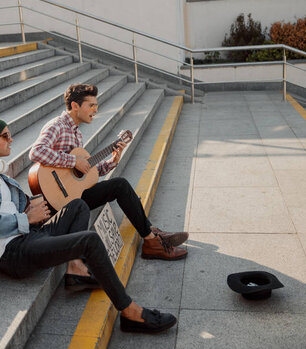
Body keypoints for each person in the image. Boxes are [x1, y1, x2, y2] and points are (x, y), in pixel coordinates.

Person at [0, 117, 177, 334]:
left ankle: (76, 269)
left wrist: (30, 208)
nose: (11, 140)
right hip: (12, 253)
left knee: (78, 205)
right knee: (88, 240)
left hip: (29, 235)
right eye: (5, 136)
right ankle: (130, 312)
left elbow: (8, 209)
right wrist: (26, 218)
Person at [29, 83, 189, 291]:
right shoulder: (57, 125)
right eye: (91, 105)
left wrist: (113, 160)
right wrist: (72, 162)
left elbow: (84, 174)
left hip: (72, 194)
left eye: (96, 105)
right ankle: (153, 239)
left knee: (119, 185)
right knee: (119, 185)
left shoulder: (76, 133)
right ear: (75, 106)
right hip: (56, 200)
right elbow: (36, 152)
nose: (96, 110)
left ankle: (150, 236)